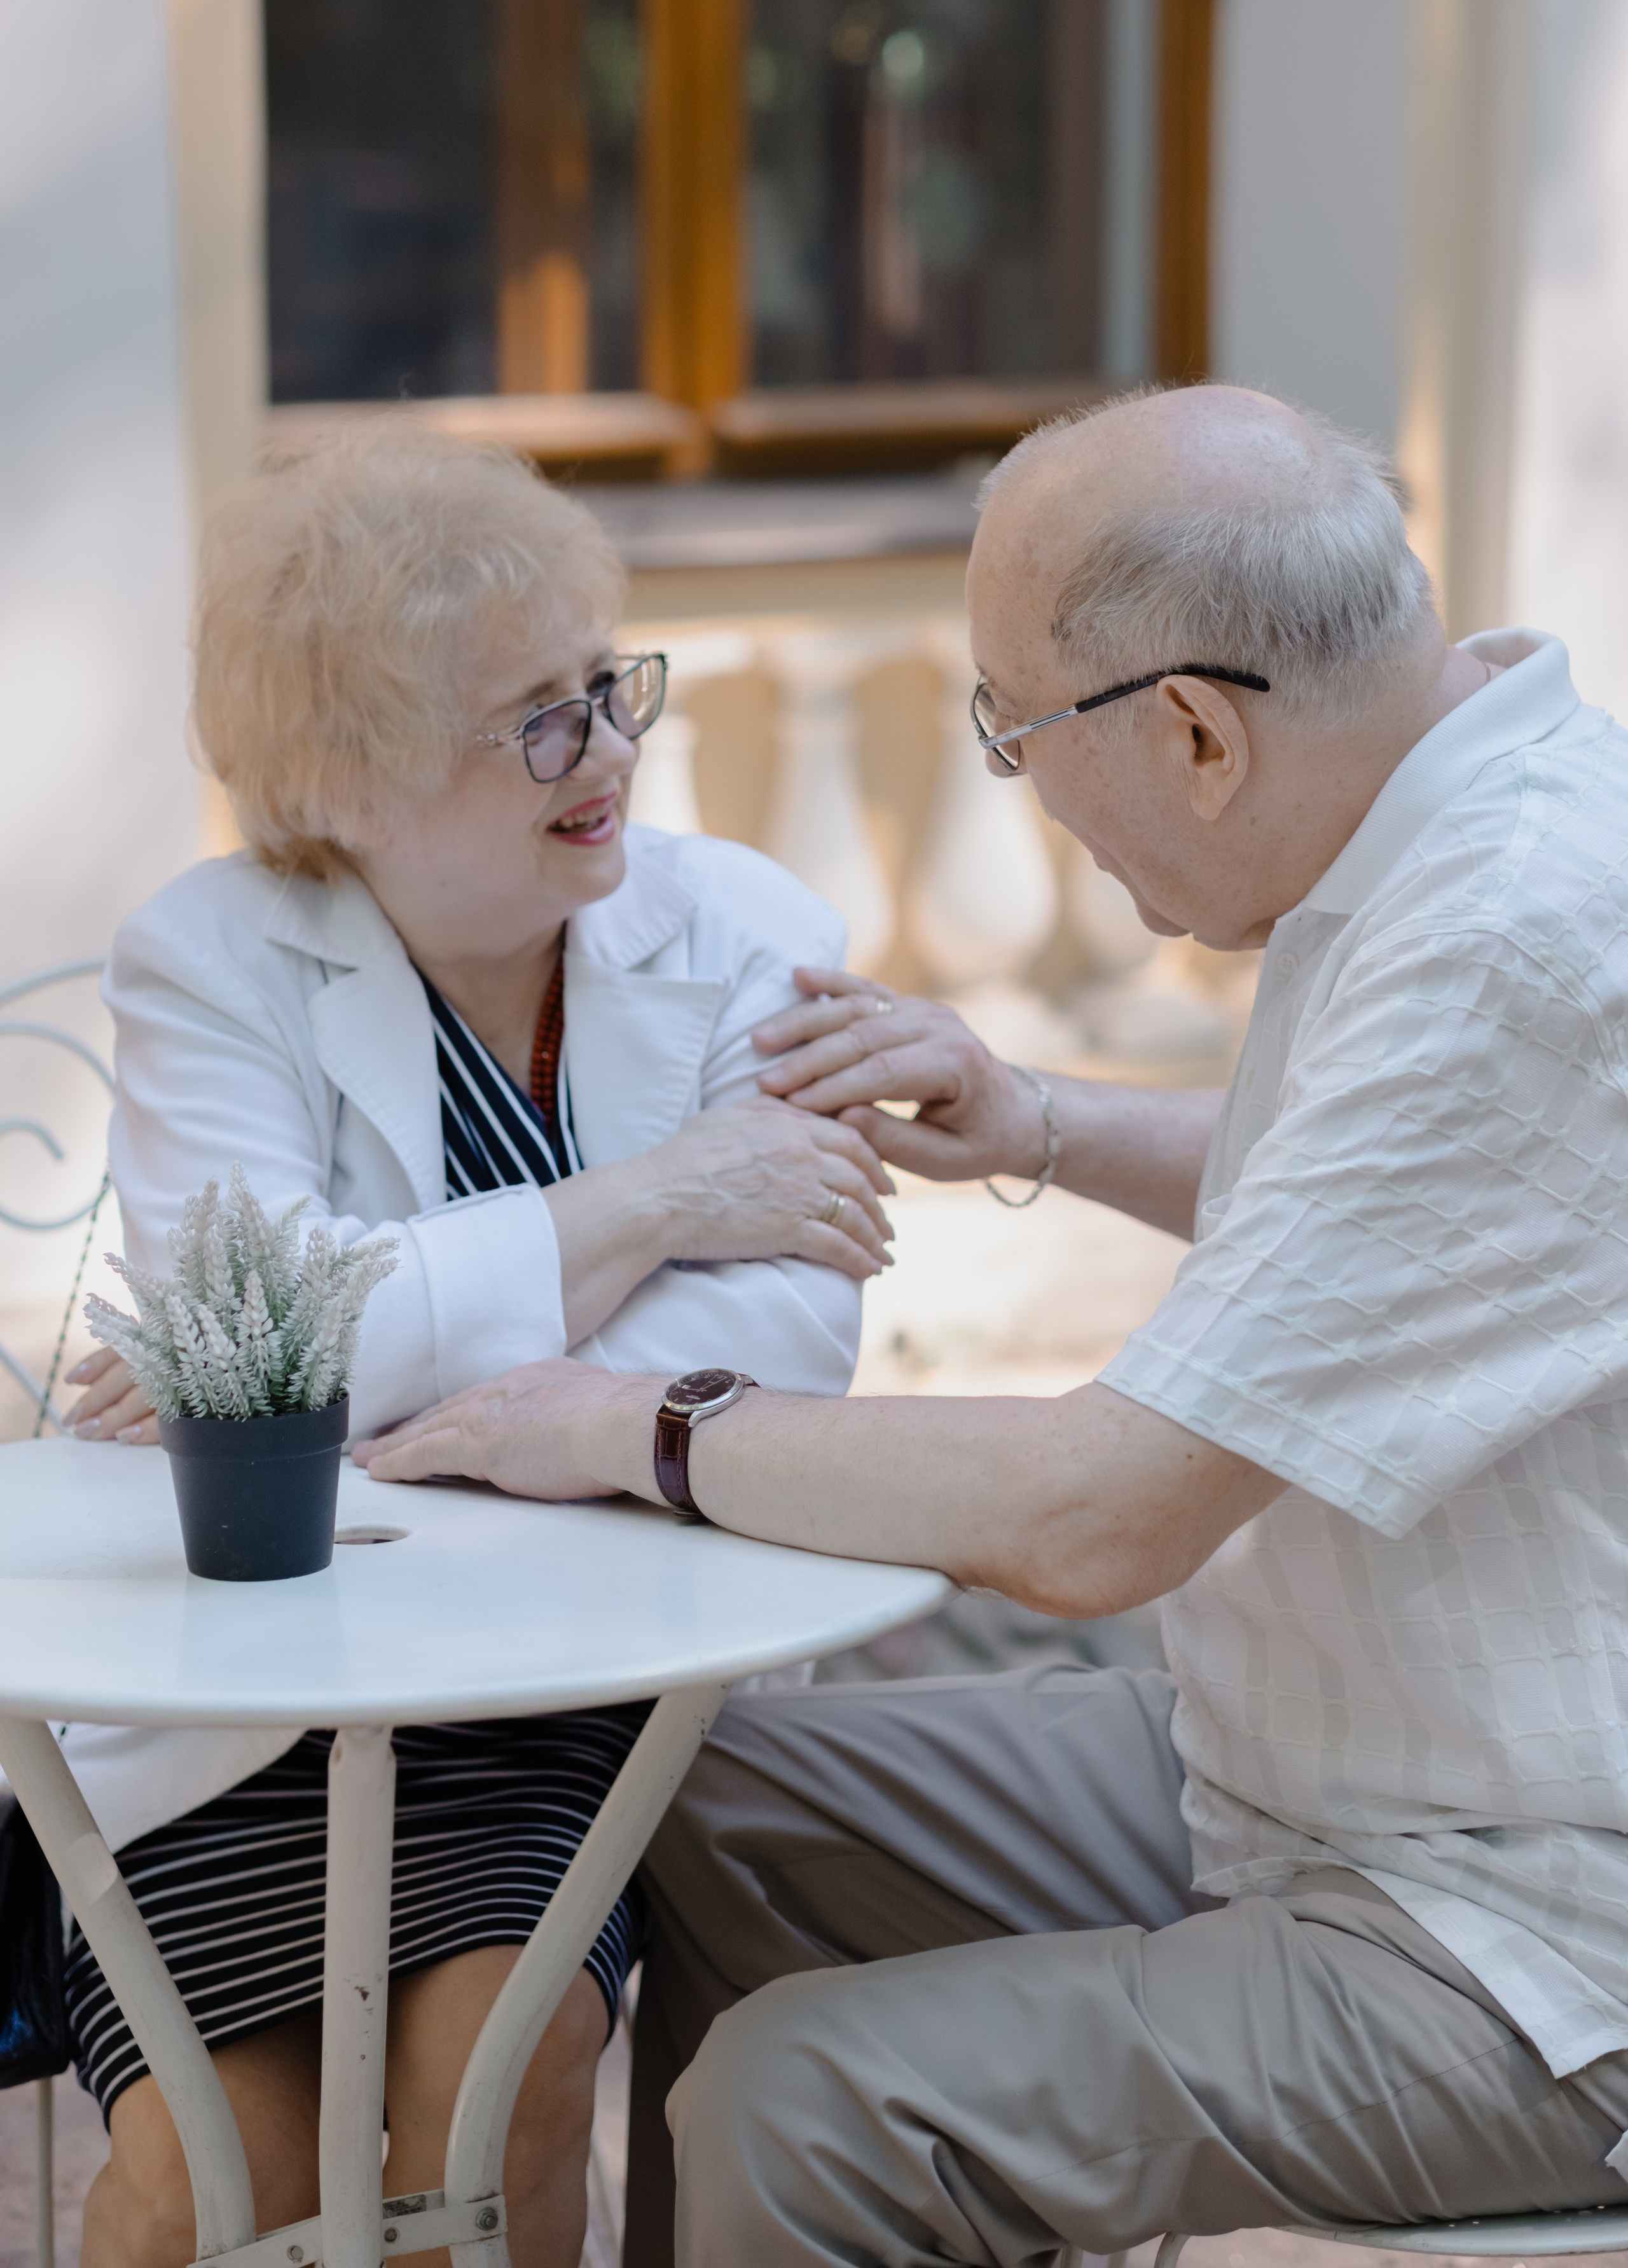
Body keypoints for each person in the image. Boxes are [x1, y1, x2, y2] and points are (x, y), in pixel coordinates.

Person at [366, 384, 1628, 2268]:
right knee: (700, 1801)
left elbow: (1096, 1512)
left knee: (805, 2106)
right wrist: (1037, 1120)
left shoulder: (1512, 936)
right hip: (1327, 1768)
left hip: (1531, 1935)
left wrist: (639, 1423)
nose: (1018, 780)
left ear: (1197, 732)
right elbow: (1389, 1194)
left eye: (1017, 731)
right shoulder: (1463, 805)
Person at [57, 421, 891, 2268]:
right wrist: (666, 1199)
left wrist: (352, 1376)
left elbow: (776, 1349)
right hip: (240, 1701)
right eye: (536, 719)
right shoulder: (206, 960)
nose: (607, 753)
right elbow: (258, 1346)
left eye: (606, 687)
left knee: (495, 2083)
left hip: (563, 1687)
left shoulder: (754, 930)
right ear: (346, 775)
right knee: (219, 2183)